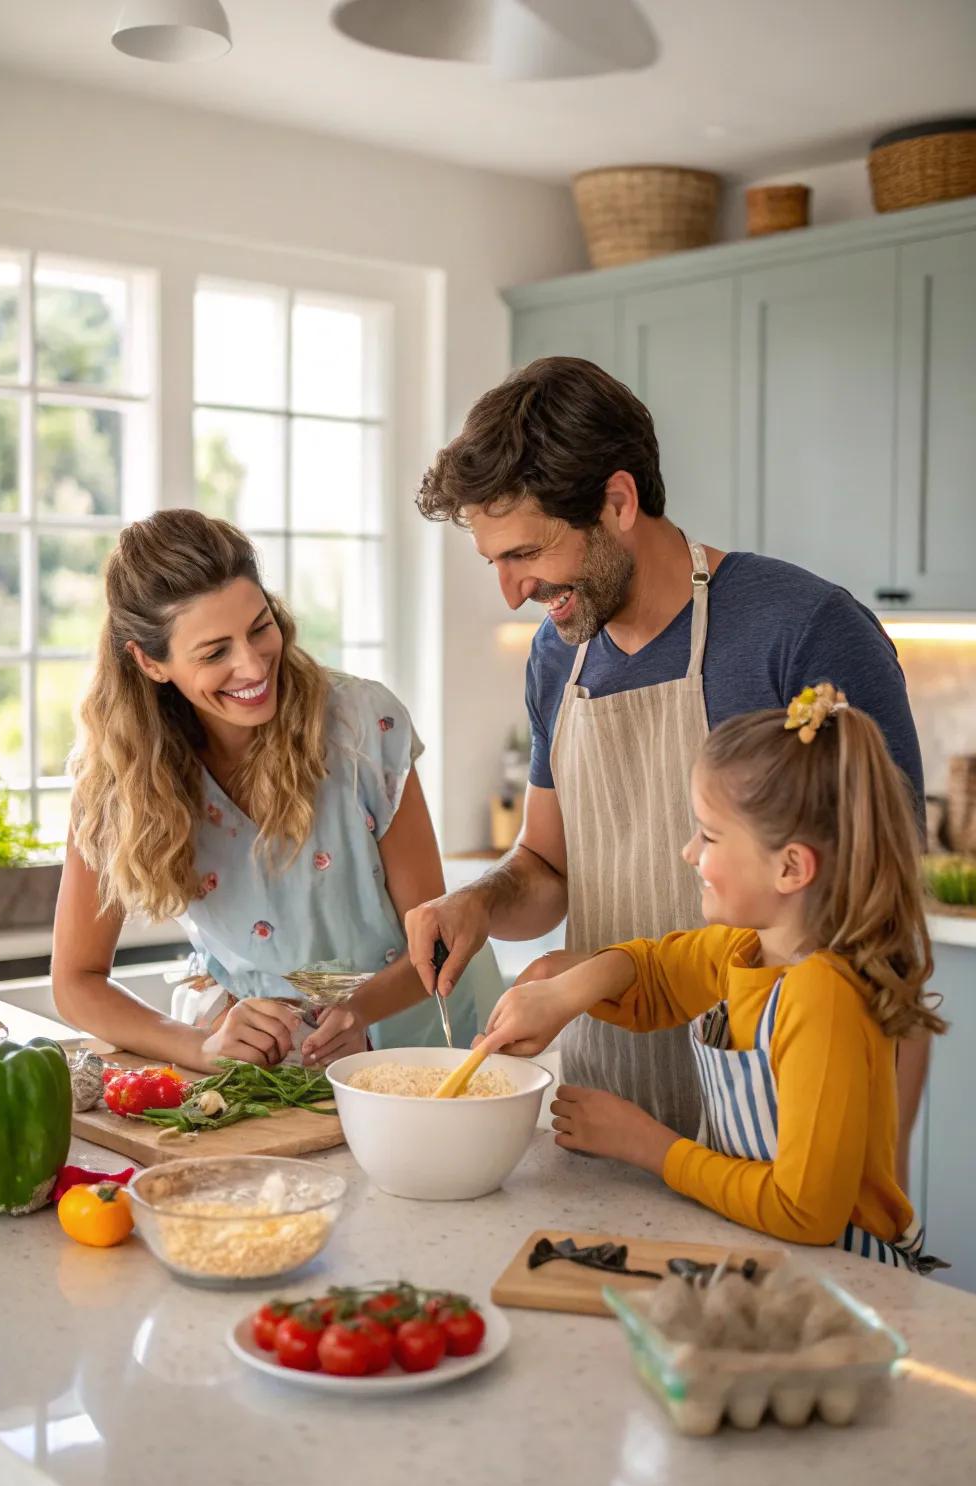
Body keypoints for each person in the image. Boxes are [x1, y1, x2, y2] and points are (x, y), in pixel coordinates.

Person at [406, 356, 927, 1182]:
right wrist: (478, 903)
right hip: (606, 1112)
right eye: (494, 562)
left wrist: (878, 1172)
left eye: (527, 553)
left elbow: (887, 922)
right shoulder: (557, 654)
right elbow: (547, 864)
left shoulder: (803, 630)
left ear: (617, 503)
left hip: (784, 1127)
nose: (512, 591)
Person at [477, 685, 946, 1268]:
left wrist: (647, 1145)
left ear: (791, 866)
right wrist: (571, 986)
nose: (687, 852)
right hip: (770, 1259)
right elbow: (657, 972)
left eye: (710, 835)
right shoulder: (748, 950)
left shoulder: (821, 995)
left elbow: (805, 1210)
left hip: (846, 1278)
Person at [52, 508, 473, 1071]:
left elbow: (439, 938)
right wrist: (198, 1045)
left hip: (423, 1052)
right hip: (257, 1076)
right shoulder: (117, 777)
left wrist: (359, 1012)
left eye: (259, 627)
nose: (253, 666)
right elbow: (76, 981)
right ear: (151, 662)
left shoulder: (362, 726)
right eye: (214, 652)